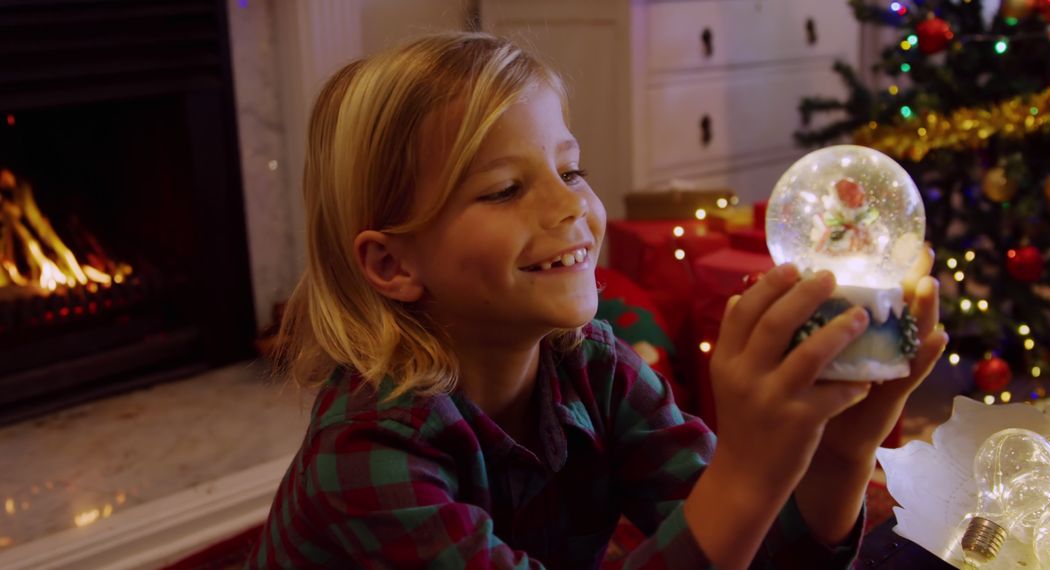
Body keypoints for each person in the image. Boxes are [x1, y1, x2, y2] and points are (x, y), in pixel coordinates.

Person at [246, 32, 947, 569]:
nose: (571, 206)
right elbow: (730, 507)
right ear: (392, 263)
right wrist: (747, 469)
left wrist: (841, 453)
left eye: (569, 168)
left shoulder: (596, 368)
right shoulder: (364, 459)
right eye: (504, 189)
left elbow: (751, 551)